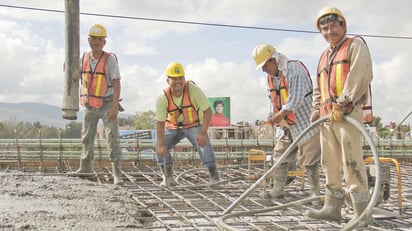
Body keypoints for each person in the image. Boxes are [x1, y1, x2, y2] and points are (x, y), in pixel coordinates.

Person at [305, 6, 373, 226]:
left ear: (343, 25)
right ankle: (332, 208)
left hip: (347, 114)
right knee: (330, 163)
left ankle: (361, 213)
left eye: (333, 26)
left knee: (351, 162)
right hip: (327, 118)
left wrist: (345, 101)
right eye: (324, 28)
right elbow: (319, 87)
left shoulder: (355, 46)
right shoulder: (325, 55)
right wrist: (316, 109)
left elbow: (361, 74)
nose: (329, 31)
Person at [252, 44, 321, 201]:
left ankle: (315, 194)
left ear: (273, 60)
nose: (263, 70)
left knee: (309, 159)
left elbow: (295, 98)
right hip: (286, 125)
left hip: (305, 122)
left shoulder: (293, 69)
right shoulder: (271, 78)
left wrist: (279, 116)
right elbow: (272, 100)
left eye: (264, 66)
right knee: (280, 155)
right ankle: (277, 190)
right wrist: (272, 118)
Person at [68, 24, 123, 185]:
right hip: (90, 104)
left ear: (104, 42)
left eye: (99, 39)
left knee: (112, 137)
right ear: (88, 40)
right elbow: (72, 73)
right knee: (87, 136)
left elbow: (117, 83)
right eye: (93, 38)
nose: (96, 42)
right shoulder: (84, 58)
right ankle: (85, 167)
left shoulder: (109, 60)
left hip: (107, 103)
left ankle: (117, 174)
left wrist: (114, 107)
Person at [155, 62, 220, 187]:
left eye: (180, 78)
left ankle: (214, 178)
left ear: (184, 79)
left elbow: (207, 111)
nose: (178, 81)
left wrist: (202, 133)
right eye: (174, 78)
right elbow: (160, 123)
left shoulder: (193, 90)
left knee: (204, 144)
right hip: (173, 126)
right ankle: (167, 178)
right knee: (159, 145)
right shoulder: (163, 97)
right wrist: (161, 144)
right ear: (168, 80)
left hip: (193, 125)